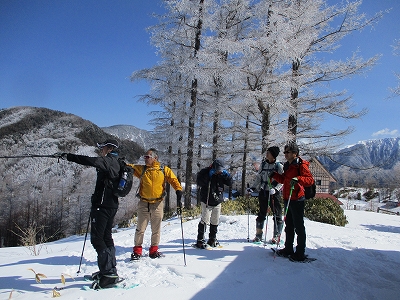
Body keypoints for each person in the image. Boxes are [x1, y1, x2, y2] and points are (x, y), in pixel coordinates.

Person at [54, 139, 122, 289]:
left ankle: (108, 274)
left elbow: (89, 161)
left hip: (103, 206)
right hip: (111, 204)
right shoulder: (117, 162)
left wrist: (68, 156)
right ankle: (109, 271)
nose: (101, 150)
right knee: (106, 237)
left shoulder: (108, 161)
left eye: (102, 148)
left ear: (109, 149)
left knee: (98, 239)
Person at [127, 148, 183, 260]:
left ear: (155, 158)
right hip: (143, 203)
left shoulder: (163, 170)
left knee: (156, 229)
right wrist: (122, 164)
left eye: (148, 157)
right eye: (145, 157)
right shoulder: (142, 169)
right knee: (140, 228)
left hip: (157, 204)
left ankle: (153, 251)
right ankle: (137, 251)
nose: (145, 159)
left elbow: (173, 180)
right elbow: (130, 167)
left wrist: (178, 190)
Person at [271, 142, 314, 261]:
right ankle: (288, 248)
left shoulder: (301, 165)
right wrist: (274, 175)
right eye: (284, 152)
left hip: (297, 199)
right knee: (289, 225)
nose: (285, 154)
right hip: (287, 198)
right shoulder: (288, 165)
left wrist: (298, 178)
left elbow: (310, 180)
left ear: (295, 153)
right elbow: (285, 180)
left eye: (287, 152)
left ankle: (300, 252)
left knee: (299, 227)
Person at [195, 159, 232, 249]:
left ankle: (212, 238)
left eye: (221, 170)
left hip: (217, 201)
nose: (219, 172)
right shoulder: (205, 172)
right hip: (206, 200)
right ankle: (200, 239)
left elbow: (230, 183)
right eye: (218, 170)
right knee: (205, 219)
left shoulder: (221, 175)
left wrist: (228, 176)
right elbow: (199, 182)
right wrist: (208, 176)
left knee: (215, 220)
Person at [250, 146, 284, 244]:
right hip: (263, 191)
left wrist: (276, 189)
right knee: (261, 213)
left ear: (273, 155)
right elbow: (259, 177)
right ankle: (258, 235)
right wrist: (253, 187)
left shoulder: (278, 166)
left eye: (268, 153)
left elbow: (282, 181)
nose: (267, 154)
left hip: (274, 193)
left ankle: (276, 236)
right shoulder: (263, 164)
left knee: (277, 214)